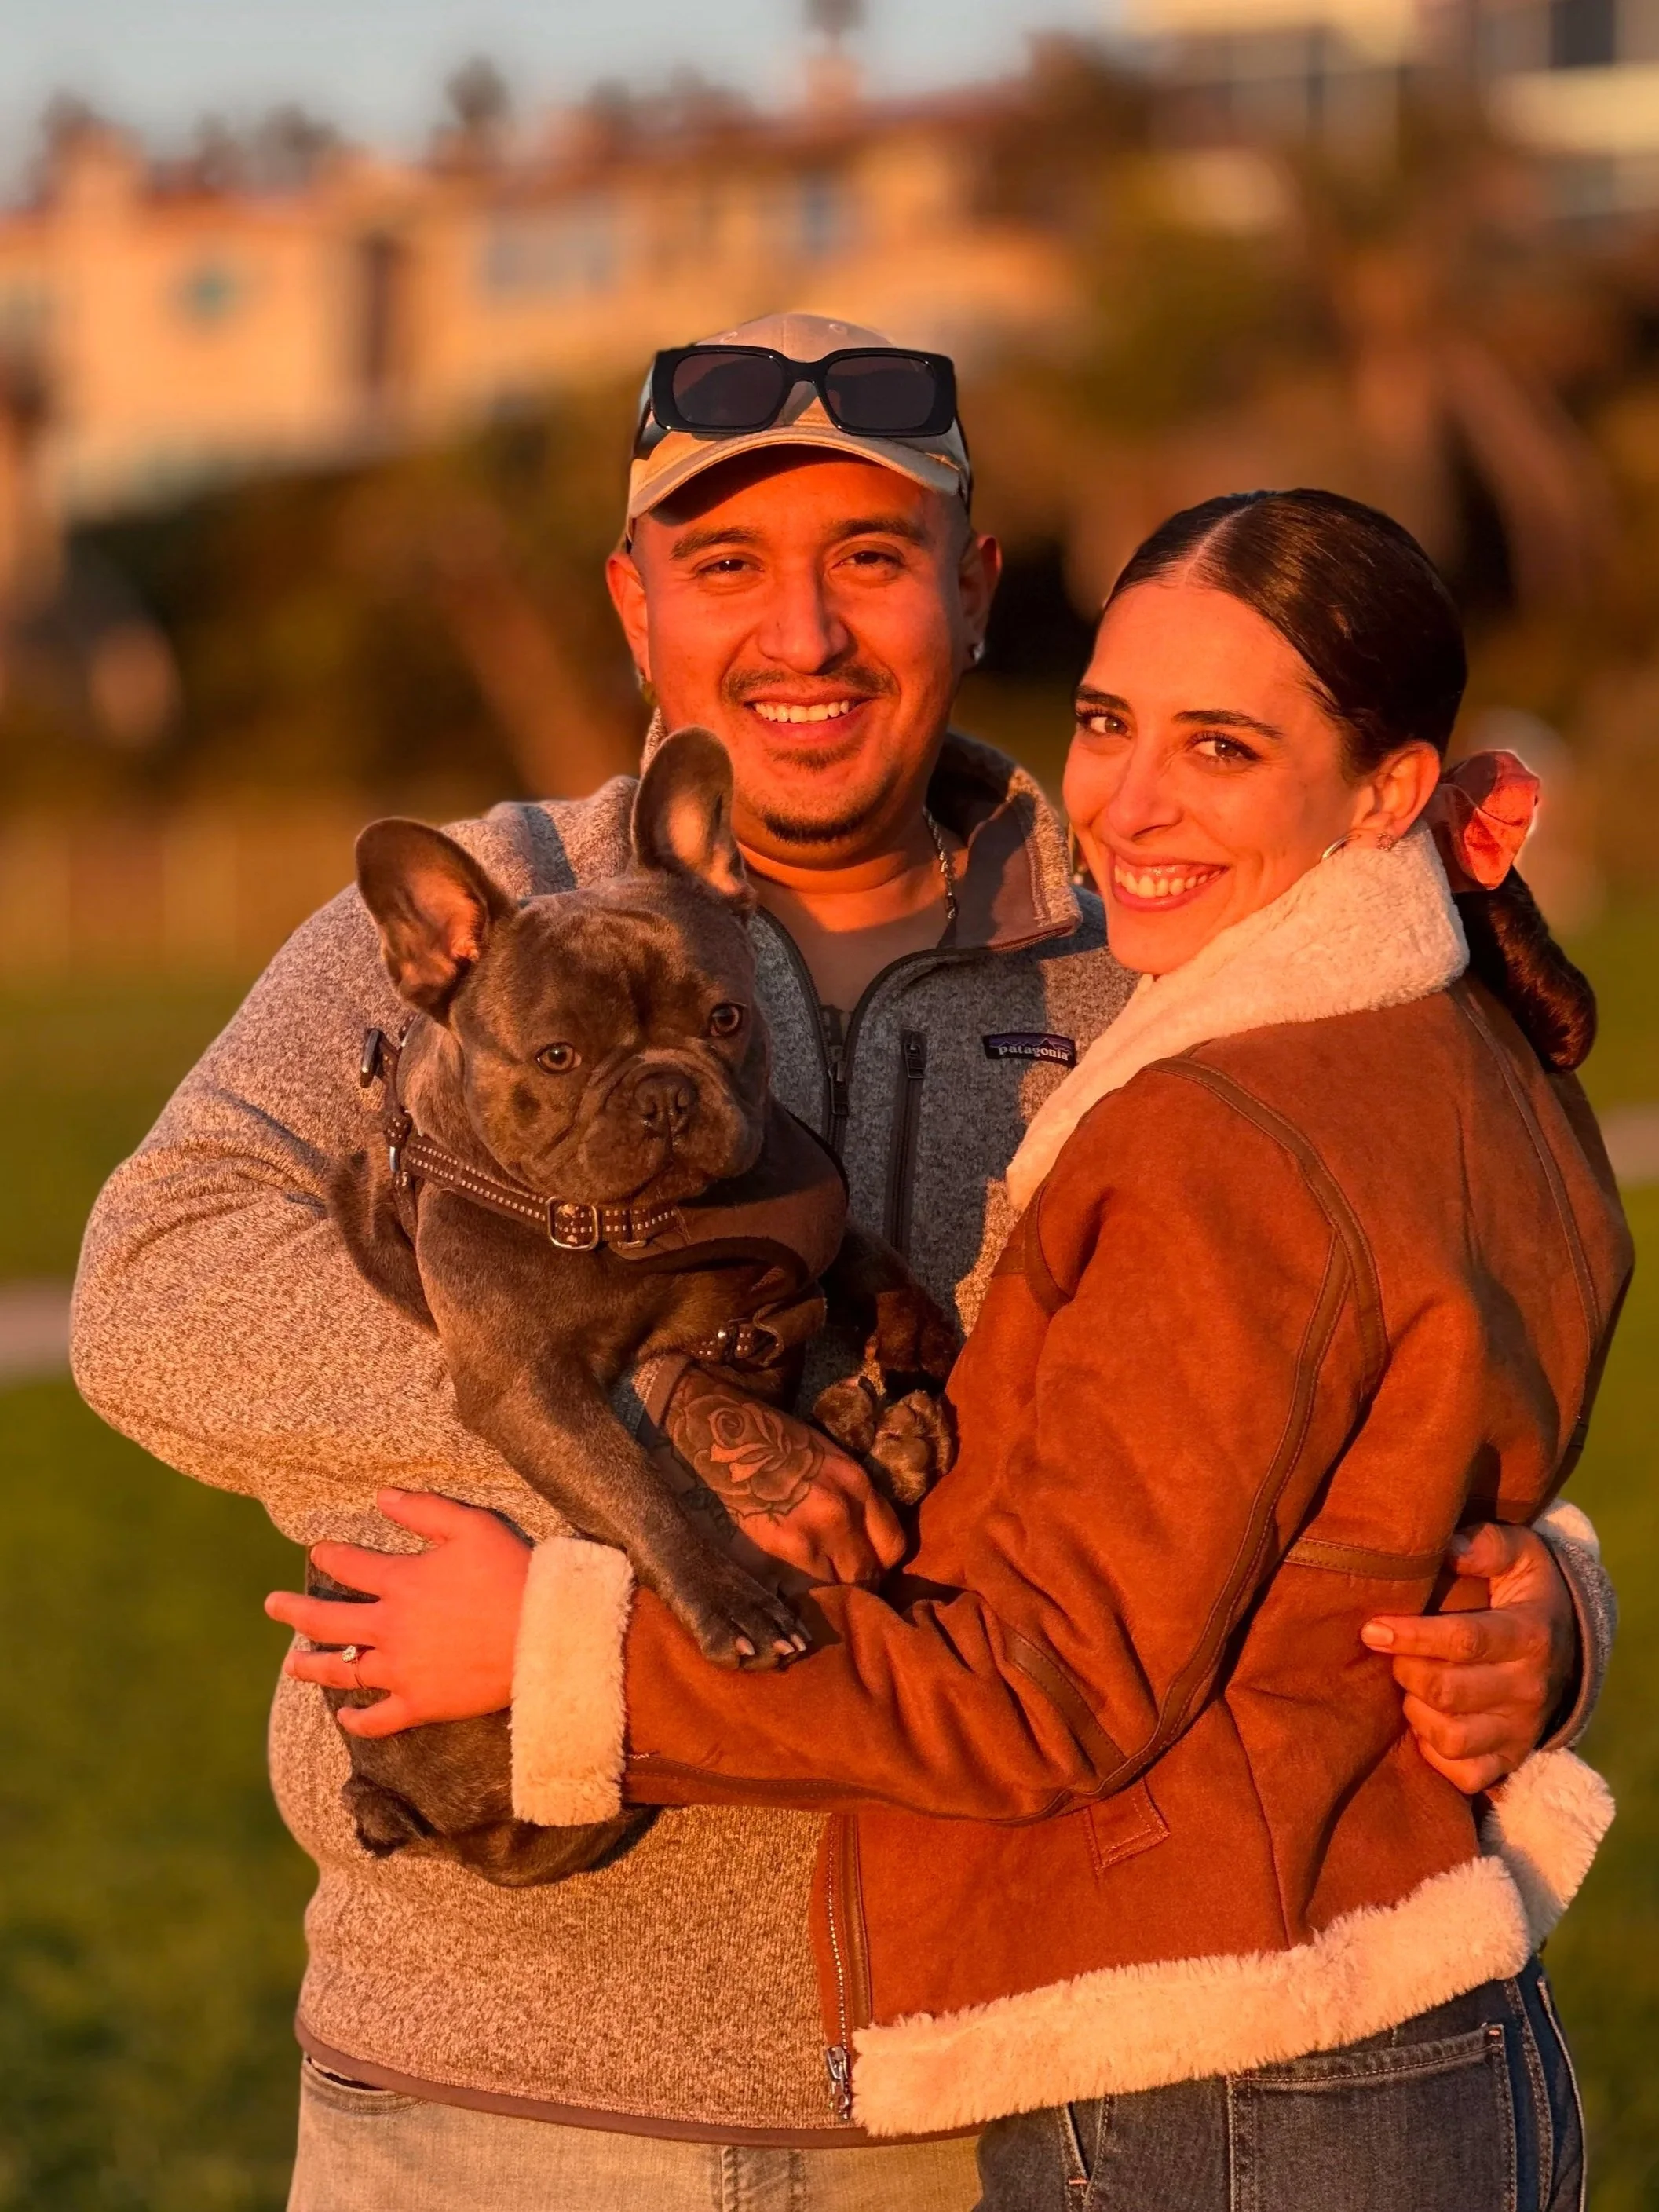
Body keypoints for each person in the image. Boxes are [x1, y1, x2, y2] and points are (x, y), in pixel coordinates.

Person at [74, 320, 1608, 2211]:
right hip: (491, 2077)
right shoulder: (492, 908)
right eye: (726, 568)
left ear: (972, 588)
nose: (799, 638)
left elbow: (1392, 1321)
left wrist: (1536, 1605)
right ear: (636, 610)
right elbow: (157, 1286)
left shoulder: (1165, 896)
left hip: (980, 2090)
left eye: (869, 562)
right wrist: (662, 1443)